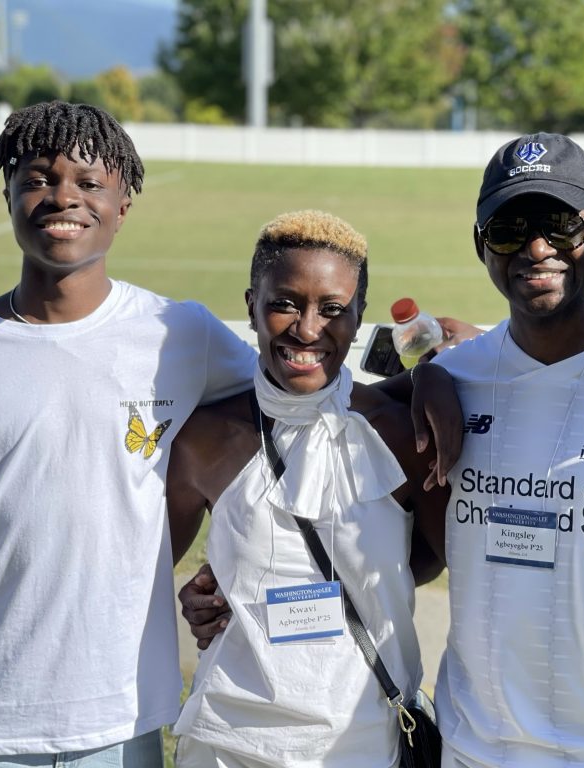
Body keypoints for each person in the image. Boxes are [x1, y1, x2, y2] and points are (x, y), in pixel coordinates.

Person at [180, 134, 584, 766]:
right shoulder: (458, 378)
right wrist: (244, 579)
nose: (536, 247)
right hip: (471, 749)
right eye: (510, 228)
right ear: (480, 243)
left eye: (559, 224)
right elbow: (418, 552)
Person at [0, 102, 258, 764]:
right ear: (6, 192)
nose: (63, 198)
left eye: (89, 182)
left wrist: (429, 373)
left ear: (123, 204)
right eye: (37, 178)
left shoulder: (182, 334)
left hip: (118, 714)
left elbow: (298, 400)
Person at [166, 210, 448, 767]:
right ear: (251, 305)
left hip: (362, 741)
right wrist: (204, 592)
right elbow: (145, 572)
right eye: (285, 303)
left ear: (361, 317)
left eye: (333, 309)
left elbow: (428, 559)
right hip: (228, 742)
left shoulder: (398, 432)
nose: (307, 328)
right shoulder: (202, 439)